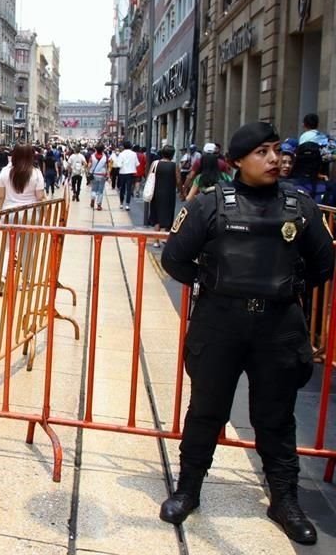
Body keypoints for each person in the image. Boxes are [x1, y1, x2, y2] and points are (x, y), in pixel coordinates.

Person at [160, 122, 333, 545]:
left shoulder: (299, 205)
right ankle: (189, 489)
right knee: (206, 410)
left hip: (277, 328)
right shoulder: (211, 205)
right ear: (237, 161)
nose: (274, 159)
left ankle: (285, 500)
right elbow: (176, 258)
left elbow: (323, 264)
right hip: (220, 324)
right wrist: (216, 281)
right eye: (262, 152)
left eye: (276, 150)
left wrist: (282, 288)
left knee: (275, 418)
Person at [148, 145, 180, 247]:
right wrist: (182, 191)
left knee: (156, 216)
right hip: (169, 194)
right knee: (168, 215)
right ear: (172, 154)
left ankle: (156, 241)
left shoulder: (155, 163)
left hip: (156, 193)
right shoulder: (174, 165)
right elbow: (178, 180)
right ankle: (165, 238)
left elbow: (149, 175)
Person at [116, 141, 138, 210]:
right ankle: (127, 205)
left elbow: (119, 164)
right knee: (129, 189)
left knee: (122, 189)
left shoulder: (121, 154)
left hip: (122, 173)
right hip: (130, 173)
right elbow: (137, 164)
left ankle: (121, 204)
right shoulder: (134, 154)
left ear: (123, 146)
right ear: (131, 146)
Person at [88, 144, 109, 210]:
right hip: (102, 175)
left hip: (94, 174)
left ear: (96, 149)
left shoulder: (92, 156)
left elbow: (89, 165)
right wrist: (107, 174)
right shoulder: (105, 157)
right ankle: (99, 205)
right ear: (103, 149)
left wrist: (88, 172)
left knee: (93, 189)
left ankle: (93, 199)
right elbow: (106, 166)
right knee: (100, 191)